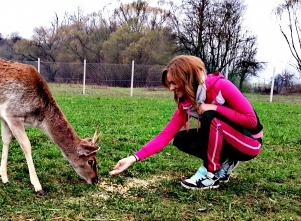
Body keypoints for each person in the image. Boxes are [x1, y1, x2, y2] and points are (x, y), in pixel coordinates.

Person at [110, 55, 263, 190]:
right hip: (227, 140)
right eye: (169, 84)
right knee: (181, 139)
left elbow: (251, 121)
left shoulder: (221, 86)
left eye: (173, 82)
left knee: (211, 116)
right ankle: (226, 162)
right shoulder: (187, 102)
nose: (171, 88)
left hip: (250, 143)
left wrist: (215, 107)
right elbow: (165, 134)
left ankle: (210, 174)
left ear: (187, 78)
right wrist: (133, 158)